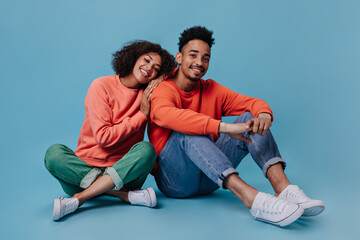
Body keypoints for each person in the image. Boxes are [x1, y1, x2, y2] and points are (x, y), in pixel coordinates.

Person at [148, 26, 325, 227]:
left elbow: (253, 103)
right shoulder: (163, 89)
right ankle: (252, 198)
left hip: (210, 178)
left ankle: (283, 189)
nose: (199, 62)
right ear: (179, 57)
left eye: (205, 58)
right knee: (187, 131)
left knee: (250, 118)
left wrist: (264, 115)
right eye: (193, 55)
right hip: (175, 182)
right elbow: (167, 115)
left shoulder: (211, 89)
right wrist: (225, 128)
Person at [44, 40, 175, 221]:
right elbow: (104, 138)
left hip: (125, 172)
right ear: (134, 57)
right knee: (53, 154)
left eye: (156, 68)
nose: (149, 68)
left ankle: (80, 198)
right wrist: (141, 115)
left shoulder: (149, 93)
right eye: (146, 60)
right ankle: (122, 195)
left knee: (147, 150)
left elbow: (180, 73)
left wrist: (163, 77)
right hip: (83, 172)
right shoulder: (101, 86)